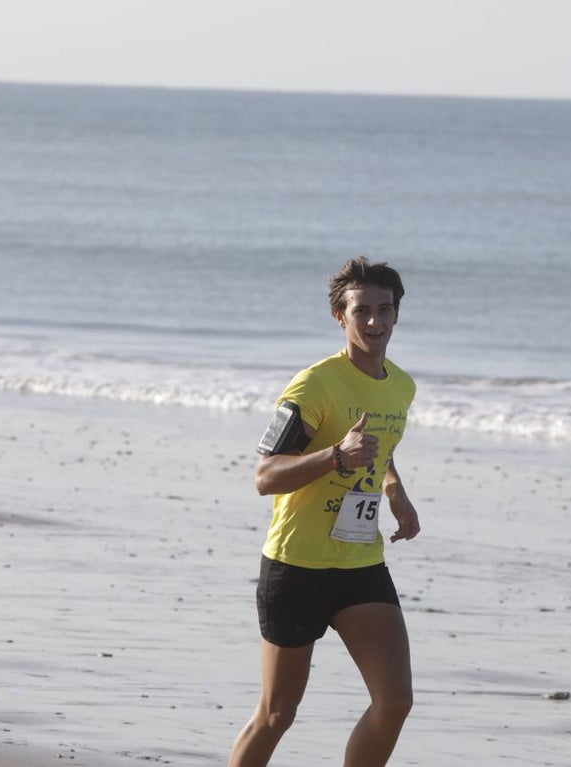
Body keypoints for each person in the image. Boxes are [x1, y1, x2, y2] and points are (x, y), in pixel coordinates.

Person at [228, 256, 421, 767]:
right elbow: (265, 476)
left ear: (398, 314)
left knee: (395, 701)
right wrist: (336, 455)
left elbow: (381, 446)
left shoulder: (400, 386)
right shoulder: (314, 385)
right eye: (363, 311)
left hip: (359, 564)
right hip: (297, 567)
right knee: (277, 713)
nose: (375, 322)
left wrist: (394, 487)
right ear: (341, 316)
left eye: (385, 310)